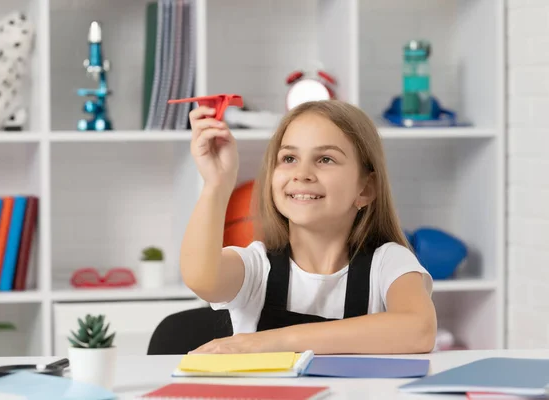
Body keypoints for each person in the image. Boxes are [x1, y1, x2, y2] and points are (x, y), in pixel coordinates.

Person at [179, 99, 437, 355]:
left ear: (366, 188)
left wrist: (269, 342)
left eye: (325, 159)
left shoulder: (388, 263)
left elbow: (419, 330)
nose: (302, 173)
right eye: (289, 158)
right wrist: (217, 183)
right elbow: (202, 278)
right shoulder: (257, 267)